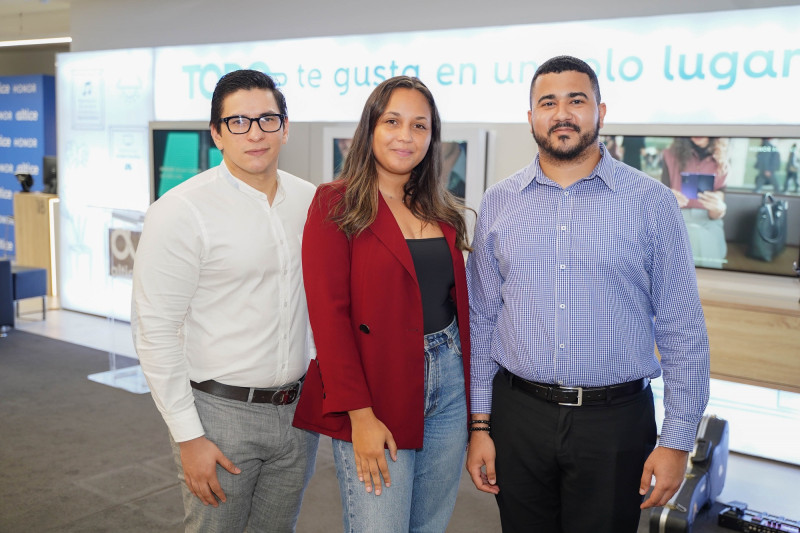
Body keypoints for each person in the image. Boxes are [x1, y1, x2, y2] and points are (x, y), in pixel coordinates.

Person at [465, 56, 710, 533]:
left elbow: (682, 329)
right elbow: (482, 322)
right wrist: (480, 428)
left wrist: (677, 441)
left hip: (615, 424)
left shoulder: (651, 202)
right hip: (518, 418)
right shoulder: (498, 201)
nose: (562, 113)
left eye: (576, 100)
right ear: (531, 116)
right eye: (548, 102)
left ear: (601, 110)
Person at [131, 69, 319, 533]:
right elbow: (154, 329)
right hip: (219, 415)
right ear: (217, 133)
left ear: (285, 126)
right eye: (238, 122)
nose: (254, 133)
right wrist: (188, 436)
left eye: (267, 119)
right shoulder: (180, 211)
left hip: (298, 413)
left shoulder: (311, 200)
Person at [292, 76, 472, 532]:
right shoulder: (335, 204)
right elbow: (329, 320)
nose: (405, 136)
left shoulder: (443, 210)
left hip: (449, 383)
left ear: (432, 138)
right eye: (393, 121)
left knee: (429, 525)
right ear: (370, 128)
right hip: (377, 387)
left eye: (420, 126)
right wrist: (360, 415)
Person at [661, 137, 729, 269]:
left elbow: (716, 212)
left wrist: (719, 209)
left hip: (708, 220)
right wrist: (668, 200)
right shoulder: (669, 155)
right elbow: (661, 204)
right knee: (694, 234)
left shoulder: (723, 159)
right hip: (677, 217)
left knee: (701, 236)